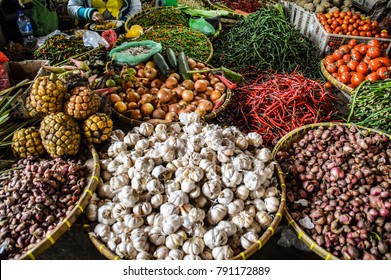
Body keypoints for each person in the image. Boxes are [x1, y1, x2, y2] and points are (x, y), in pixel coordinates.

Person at [67, 0, 142, 24]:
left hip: (121, 29)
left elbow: (136, 7)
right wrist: (89, 13)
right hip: (92, 32)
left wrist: (124, 21)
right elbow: (71, 7)